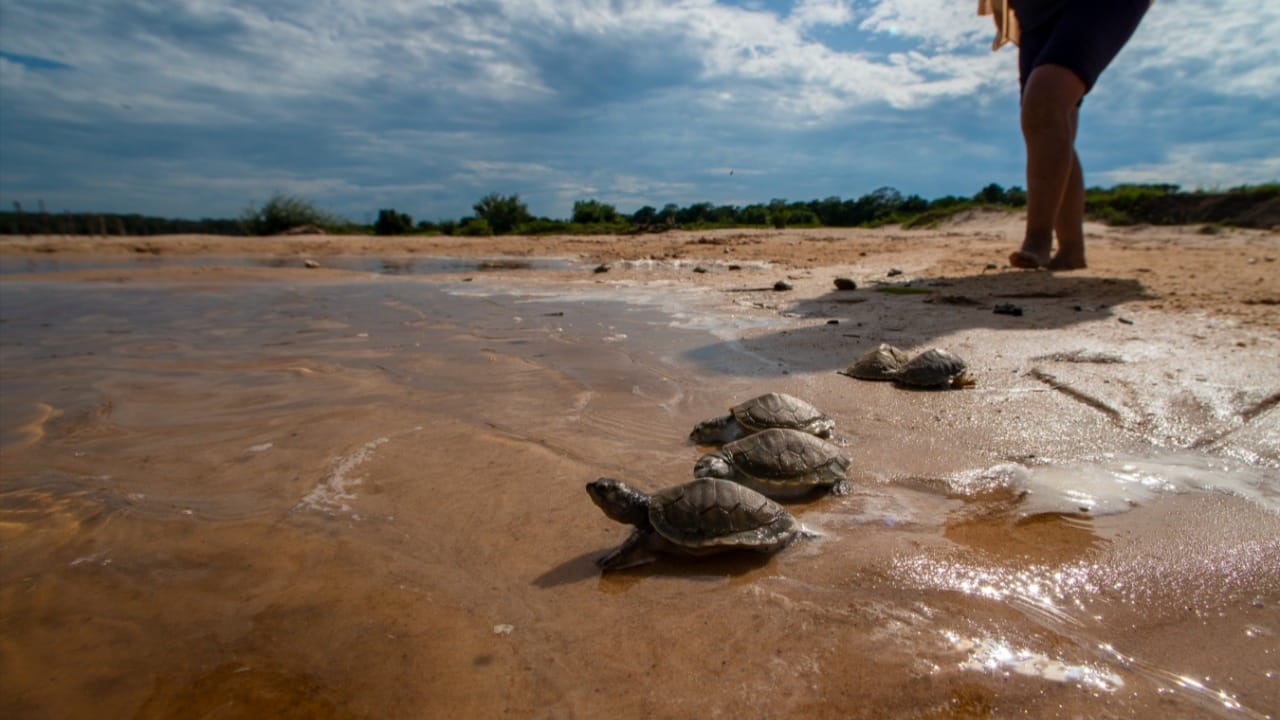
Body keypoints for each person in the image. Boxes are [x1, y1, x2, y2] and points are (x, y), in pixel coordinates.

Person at [979, 0, 1151, 270]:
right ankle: (1071, 249)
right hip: (1032, 16)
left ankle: (1038, 238)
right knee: (1054, 122)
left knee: (1044, 102)